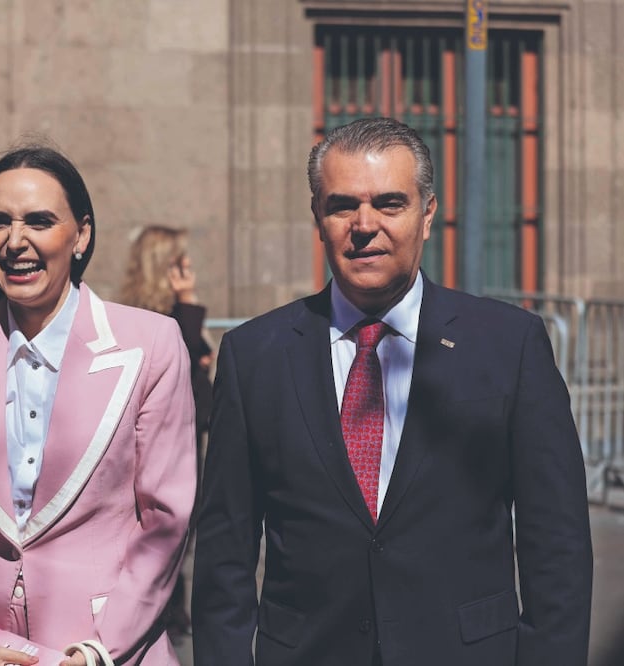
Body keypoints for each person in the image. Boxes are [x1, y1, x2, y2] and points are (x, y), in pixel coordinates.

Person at [191, 117, 593, 665]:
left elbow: (558, 547)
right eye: (341, 206)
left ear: (427, 215)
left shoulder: (509, 344)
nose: (364, 225)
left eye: (389, 203)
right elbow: (224, 560)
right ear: (317, 217)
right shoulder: (254, 356)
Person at [0, 146, 196, 666]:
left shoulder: (150, 343)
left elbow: (165, 518)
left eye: (39, 221)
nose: (16, 242)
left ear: (80, 235)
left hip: (110, 651)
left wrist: (95, 653)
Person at [118, 225, 213, 640]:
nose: (189, 270)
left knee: (176, 529)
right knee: (164, 527)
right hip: (163, 441)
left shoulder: (162, 316)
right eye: (181, 263)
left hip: (183, 439)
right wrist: (190, 306)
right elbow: (187, 371)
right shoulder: (157, 321)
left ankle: (169, 611)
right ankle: (164, 613)